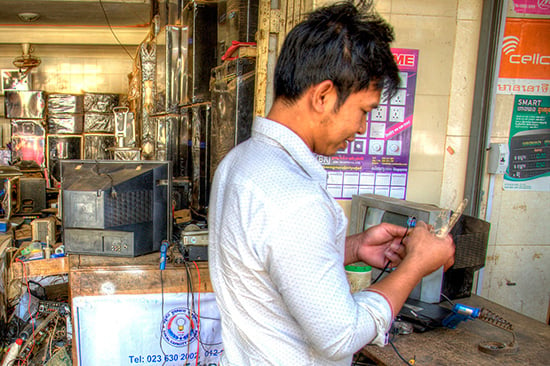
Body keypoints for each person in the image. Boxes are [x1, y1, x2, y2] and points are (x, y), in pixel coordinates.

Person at [208, 1, 455, 365]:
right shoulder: (296, 199)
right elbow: (340, 336)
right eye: (363, 111)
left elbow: (269, 262)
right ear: (323, 96)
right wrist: (415, 266)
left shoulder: (238, 163)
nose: (361, 129)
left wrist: (353, 247)